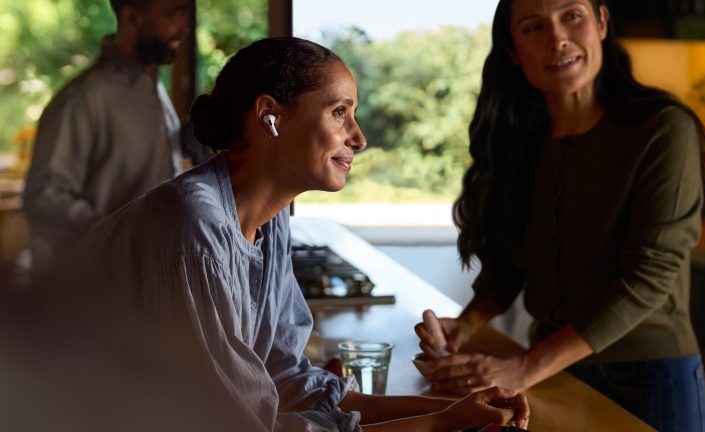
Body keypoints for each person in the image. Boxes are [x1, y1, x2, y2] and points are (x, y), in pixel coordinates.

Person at [55, 37, 530, 432]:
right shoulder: (193, 226)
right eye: (340, 112)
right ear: (270, 117)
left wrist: (450, 412)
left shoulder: (271, 218)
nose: (359, 138)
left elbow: (285, 379)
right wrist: (438, 426)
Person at [415, 1, 705, 431]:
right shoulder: (519, 140)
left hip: (650, 378)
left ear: (601, 23)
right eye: (534, 26)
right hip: (554, 374)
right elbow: (512, 260)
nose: (557, 39)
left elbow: (649, 278)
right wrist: (465, 325)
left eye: (572, 16)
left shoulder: (663, 129)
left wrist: (525, 368)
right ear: (513, 50)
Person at [22, 0, 204, 272]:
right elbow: (43, 196)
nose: (184, 28)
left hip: (148, 283)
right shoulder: (83, 99)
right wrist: (120, 234)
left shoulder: (155, 88)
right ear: (133, 18)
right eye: (174, 14)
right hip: (94, 293)